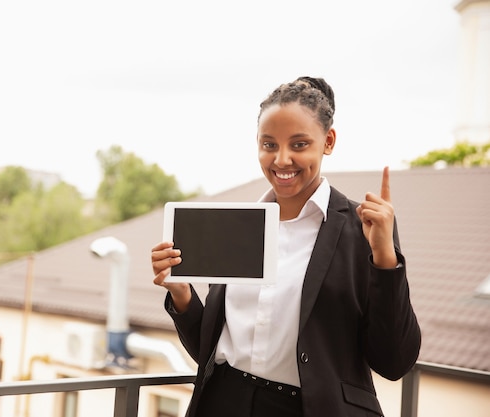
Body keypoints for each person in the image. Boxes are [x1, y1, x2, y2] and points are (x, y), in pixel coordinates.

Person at [151, 76, 421, 417]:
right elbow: (211, 349)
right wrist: (181, 294)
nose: (281, 160)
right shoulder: (236, 227)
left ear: (328, 141)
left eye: (298, 144)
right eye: (268, 145)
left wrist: (384, 258)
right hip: (224, 402)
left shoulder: (364, 228)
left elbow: (395, 361)